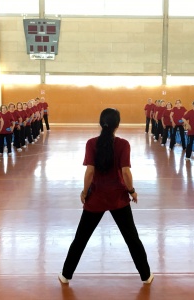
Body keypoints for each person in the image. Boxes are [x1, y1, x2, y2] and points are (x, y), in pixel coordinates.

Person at [59, 108, 153, 285]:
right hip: (118, 198)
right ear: (118, 124)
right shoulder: (123, 144)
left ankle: (65, 275)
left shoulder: (91, 143)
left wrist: (84, 192)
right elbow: (126, 172)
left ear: (101, 123)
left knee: (81, 238)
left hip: (96, 198)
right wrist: (132, 191)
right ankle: (146, 275)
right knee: (132, 238)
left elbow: (89, 172)